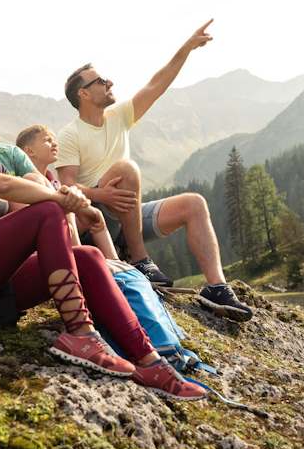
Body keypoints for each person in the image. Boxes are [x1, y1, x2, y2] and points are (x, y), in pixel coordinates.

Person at [0, 69, 206, 400]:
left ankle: (151, 363)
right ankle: (81, 333)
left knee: (89, 258)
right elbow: (3, 188)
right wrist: (60, 199)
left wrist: (75, 207)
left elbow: (23, 216)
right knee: (48, 211)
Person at [56, 20, 254, 322]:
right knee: (127, 168)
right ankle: (139, 259)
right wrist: (100, 193)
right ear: (83, 94)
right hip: (97, 221)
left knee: (194, 204)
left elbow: (157, 84)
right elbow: (66, 187)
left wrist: (187, 48)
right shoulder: (71, 134)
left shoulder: (119, 116)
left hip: (127, 214)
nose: (110, 83)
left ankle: (217, 287)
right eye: (101, 81)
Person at [17, 123, 118, 259]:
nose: (54, 144)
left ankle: (116, 263)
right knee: (67, 203)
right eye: (47, 140)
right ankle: (77, 254)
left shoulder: (55, 184)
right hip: (41, 242)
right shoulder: (25, 181)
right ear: (29, 151)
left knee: (94, 215)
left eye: (54, 140)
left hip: (64, 230)